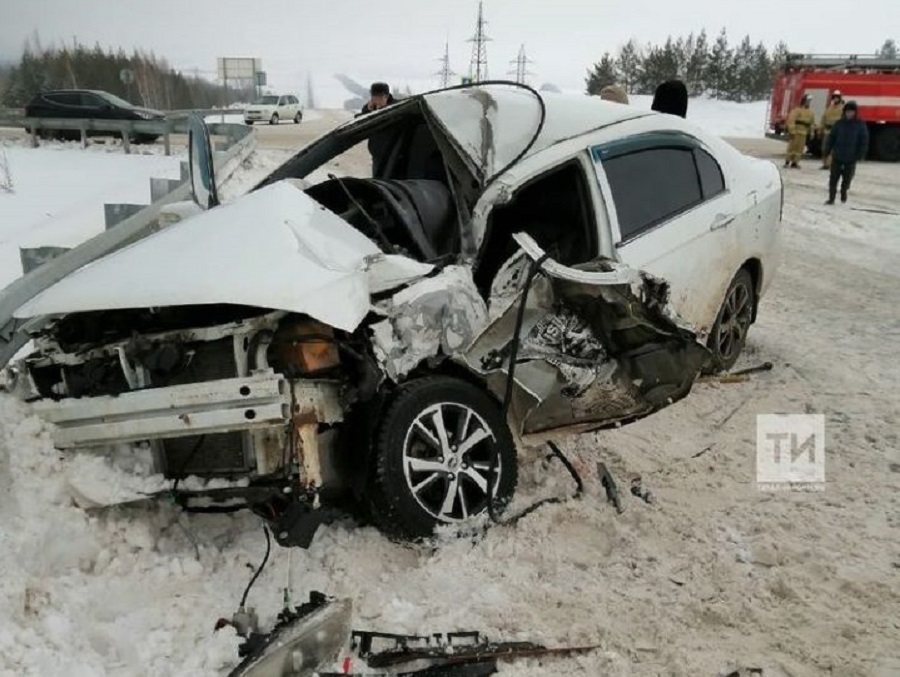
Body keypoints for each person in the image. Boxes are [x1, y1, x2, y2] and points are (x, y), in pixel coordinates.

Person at [823, 101, 868, 205]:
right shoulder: (839, 124)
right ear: (845, 112)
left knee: (847, 179)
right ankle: (831, 198)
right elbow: (832, 138)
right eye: (848, 111)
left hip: (851, 157)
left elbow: (864, 140)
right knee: (833, 179)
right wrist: (827, 151)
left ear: (855, 112)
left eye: (851, 112)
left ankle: (844, 191)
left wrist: (861, 154)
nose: (849, 114)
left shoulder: (860, 125)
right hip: (838, 155)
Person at [358, 82, 397, 177]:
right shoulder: (369, 108)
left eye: (380, 97)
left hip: (395, 153)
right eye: (374, 96)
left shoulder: (397, 106)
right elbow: (361, 124)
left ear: (387, 96)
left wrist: (382, 110)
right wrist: (368, 111)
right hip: (377, 154)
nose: (377, 100)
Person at [784, 95, 815, 168]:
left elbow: (812, 123)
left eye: (809, 102)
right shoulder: (797, 110)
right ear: (804, 101)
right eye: (807, 101)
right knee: (792, 147)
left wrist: (812, 132)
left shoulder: (810, 113)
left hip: (803, 133)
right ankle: (787, 161)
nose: (808, 103)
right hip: (796, 132)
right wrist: (792, 131)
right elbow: (791, 120)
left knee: (799, 149)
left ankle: (795, 162)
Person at [819, 91, 844, 170]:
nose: (835, 99)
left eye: (837, 97)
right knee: (825, 148)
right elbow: (823, 119)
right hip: (827, 131)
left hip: (836, 132)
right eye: (834, 97)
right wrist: (821, 129)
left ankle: (830, 164)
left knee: (833, 149)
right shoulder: (829, 108)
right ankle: (825, 164)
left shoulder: (842, 109)